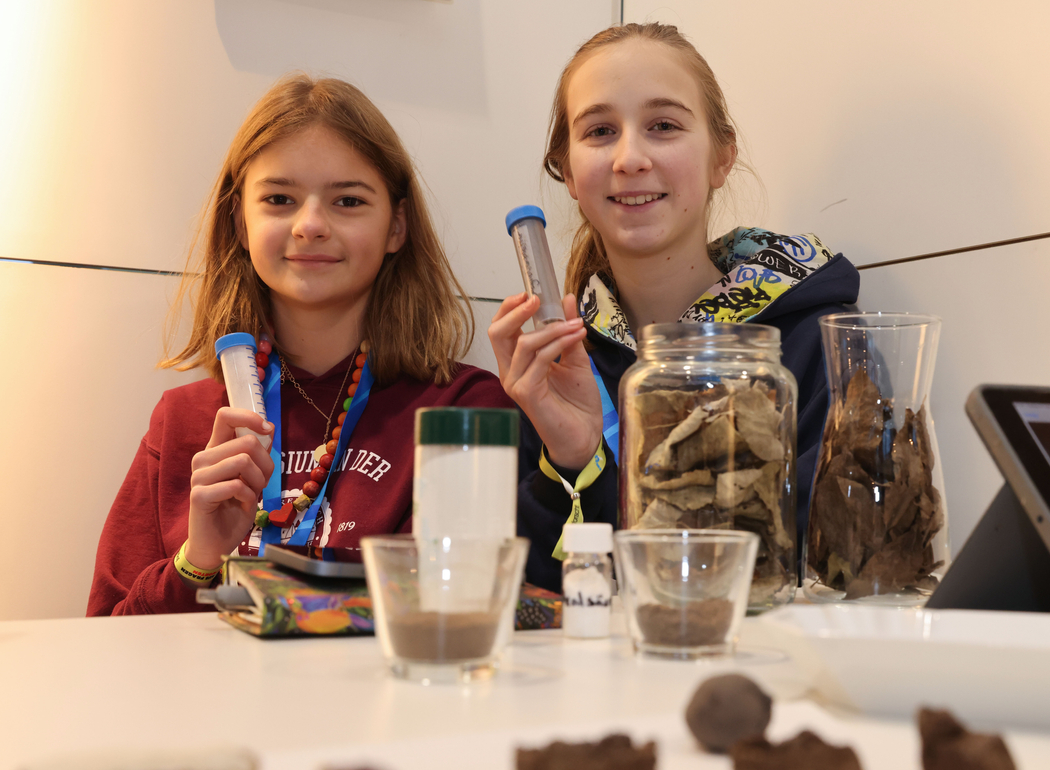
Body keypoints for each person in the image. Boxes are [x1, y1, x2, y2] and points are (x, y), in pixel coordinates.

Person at [89, 75, 513, 616]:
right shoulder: (183, 422)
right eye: (280, 199)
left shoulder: (464, 412)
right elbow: (102, 646)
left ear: (396, 227)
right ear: (240, 222)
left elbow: (457, 621)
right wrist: (198, 561)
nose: (310, 225)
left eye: (348, 201)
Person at [488, 23, 860, 591]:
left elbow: (836, 560)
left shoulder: (817, 341)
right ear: (567, 171)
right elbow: (538, 598)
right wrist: (575, 459)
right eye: (600, 131)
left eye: (663, 126)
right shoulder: (551, 362)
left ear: (722, 156)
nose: (630, 157)